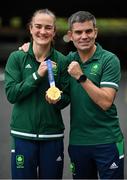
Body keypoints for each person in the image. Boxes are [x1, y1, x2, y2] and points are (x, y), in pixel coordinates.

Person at [18, 11, 124, 179]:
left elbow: (106, 102)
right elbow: (61, 95)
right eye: (78, 32)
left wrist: (81, 77)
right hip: (78, 143)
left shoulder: (109, 60)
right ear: (70, 35)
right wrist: (28, 48)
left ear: (95, 32)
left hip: (107, 141)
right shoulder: (67, 61)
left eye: (88, 31)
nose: (84, 36)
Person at [4, 9, 69, 179]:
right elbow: (11, 94)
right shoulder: (17, 58)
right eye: (38, 26)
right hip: (23, 135)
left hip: (52, 135)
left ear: (54, 31)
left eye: (48, 28)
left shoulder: (62, 61)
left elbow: (67, 98)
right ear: (30, 29)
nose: (43, 31)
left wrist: (58, 98)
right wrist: (36, 76)